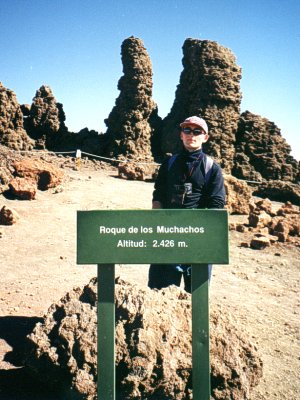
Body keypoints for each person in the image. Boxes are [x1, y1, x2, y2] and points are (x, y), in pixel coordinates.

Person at [148, 116, 226, 293]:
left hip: (197, 239)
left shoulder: (211, 168)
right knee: (161, 292)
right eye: (187, 130)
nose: (192, 134)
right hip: (169, 235)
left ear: (205, 137)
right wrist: (158, 226)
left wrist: (199, 234)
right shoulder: (169, 163)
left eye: (197, 131)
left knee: (196, 296)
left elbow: (217, 203)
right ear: (181, 135)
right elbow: (158, 194)